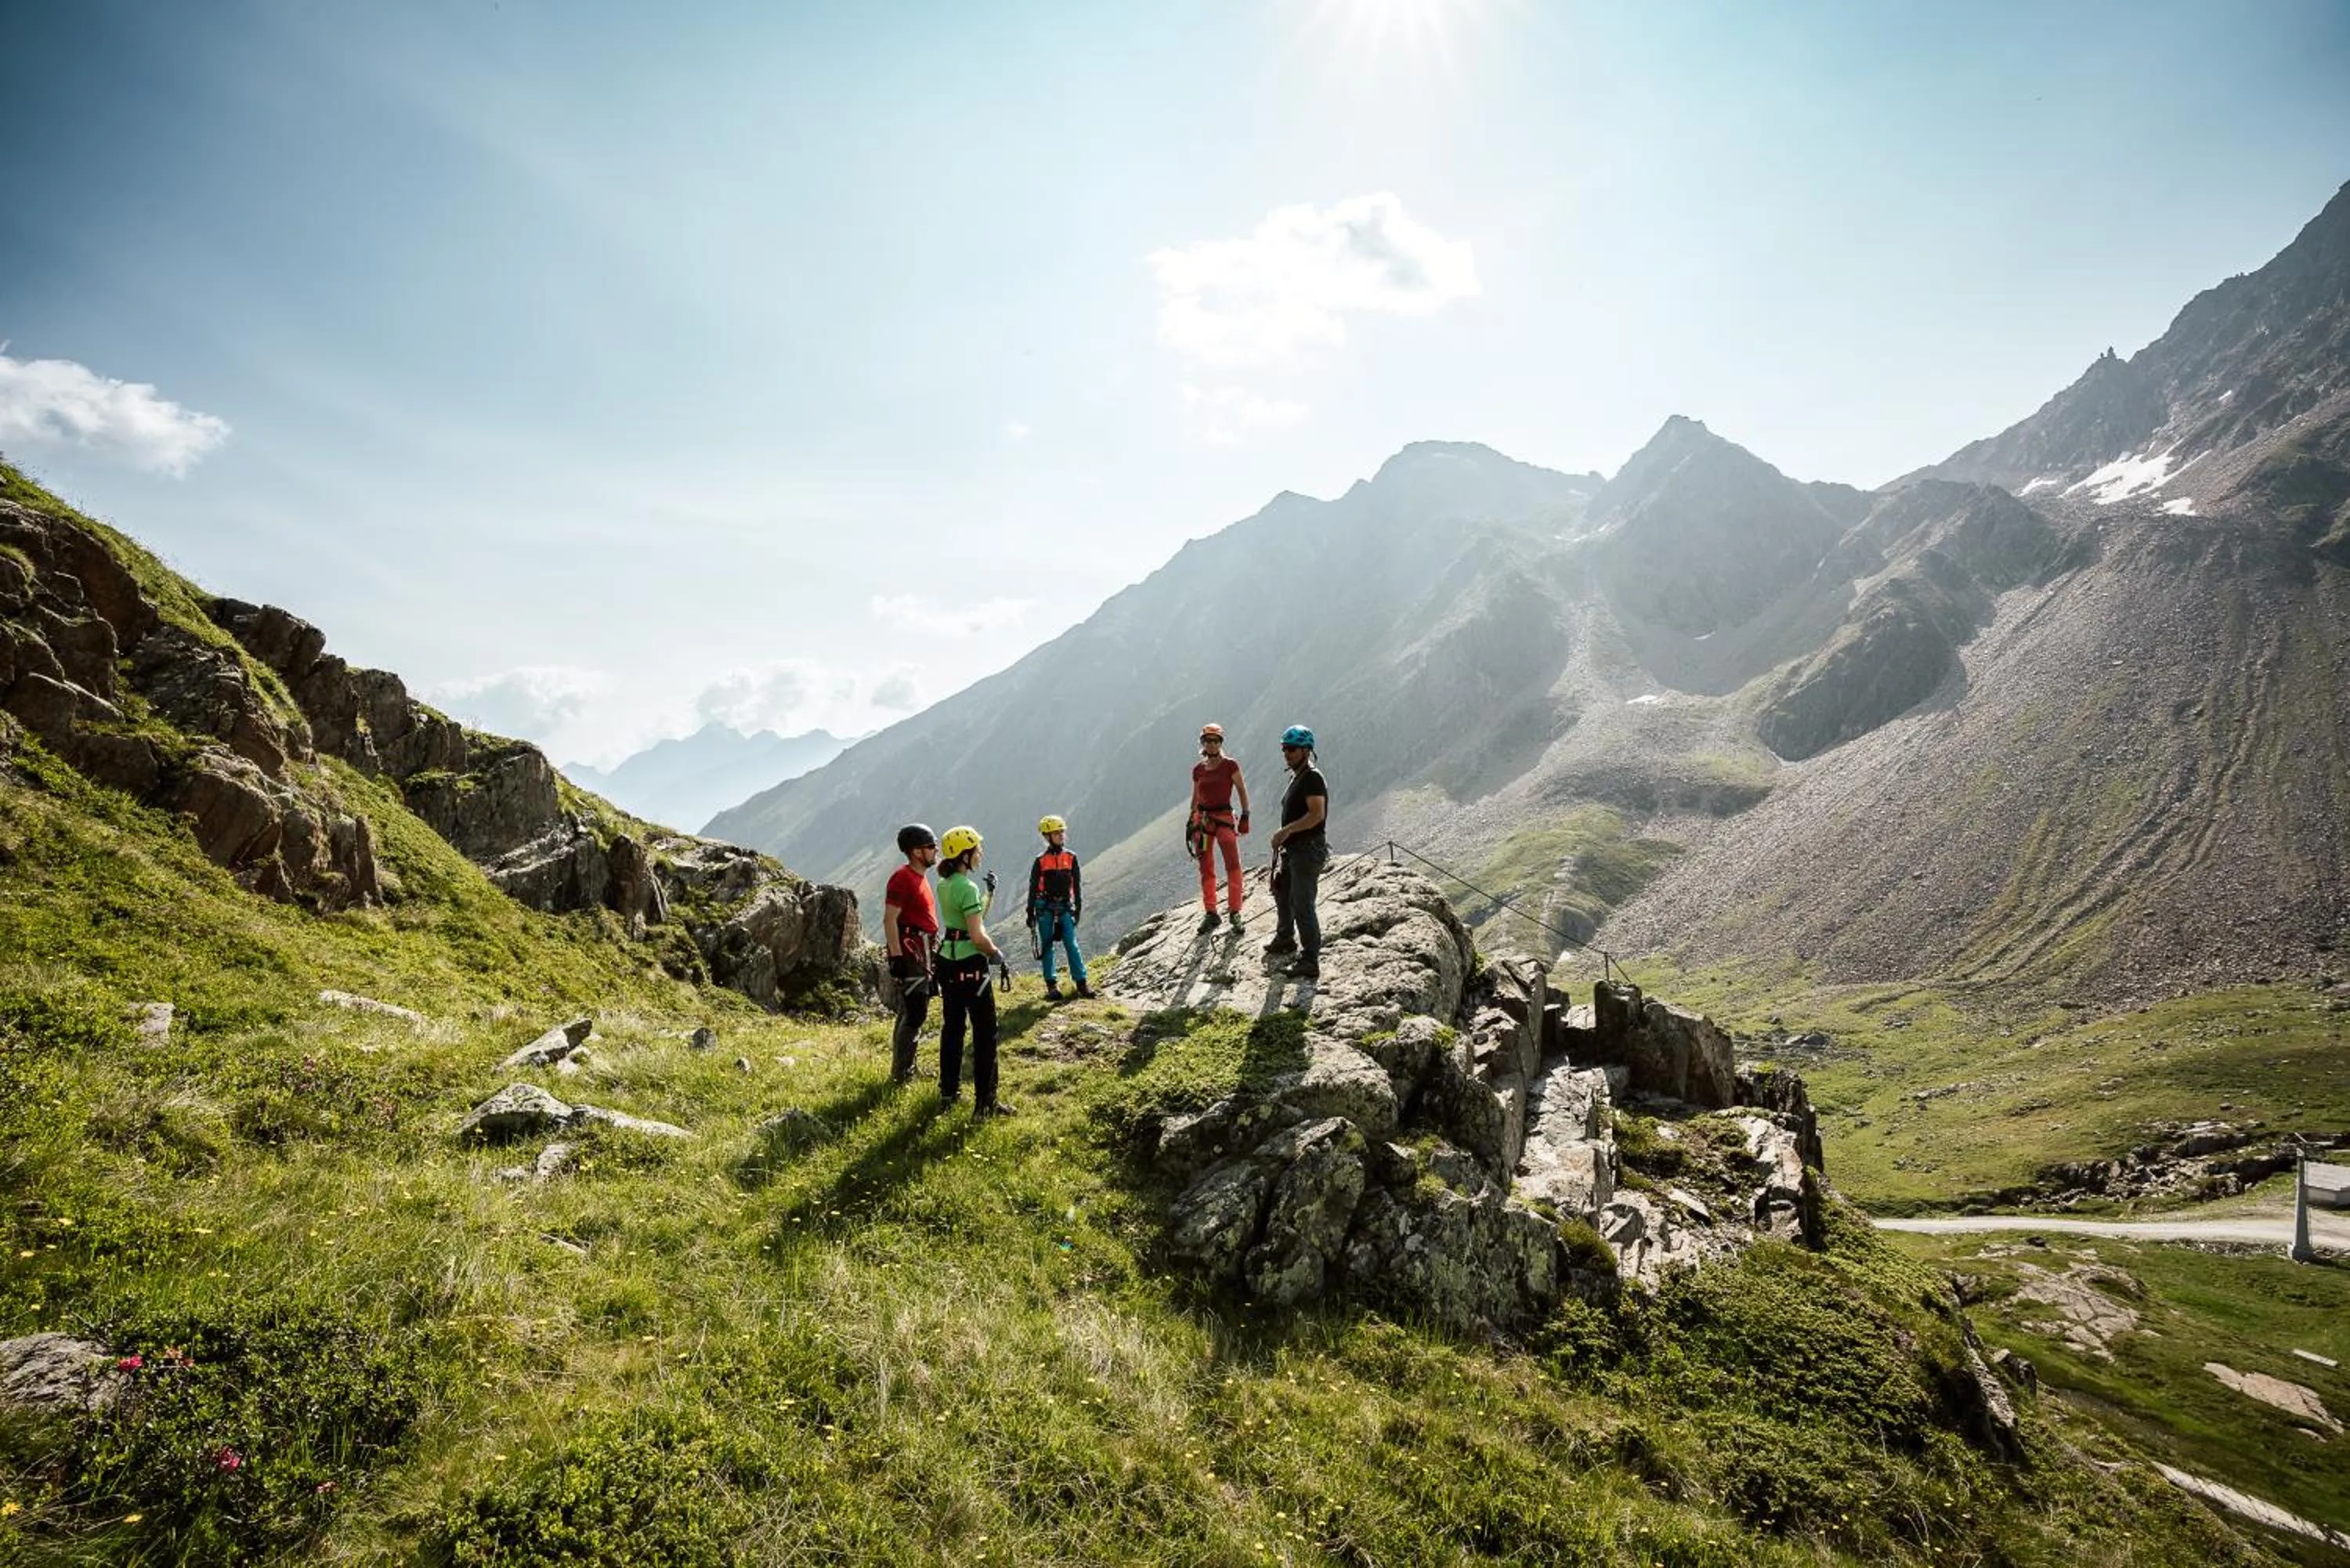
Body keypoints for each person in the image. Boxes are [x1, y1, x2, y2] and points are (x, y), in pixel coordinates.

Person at [934, 825, 1011, 1115]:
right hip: (970, 964)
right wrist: (996, 954)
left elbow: (968, 921)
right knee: (985, 1032)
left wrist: (989, 894)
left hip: (947, 961)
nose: (980, 852)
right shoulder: (967, 887)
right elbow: (977, 936)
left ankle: (949, 1094)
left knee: (952, 1028)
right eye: (976, 848)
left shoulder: (945, 884)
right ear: (965, 854)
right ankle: (986, 1103)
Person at [1264, 724, 1329, 981]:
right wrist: (1286, 836)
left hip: (1307, 850)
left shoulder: (1312, 777)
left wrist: (1285, 831)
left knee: (1302, 903)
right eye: (1284, 748)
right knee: (1283, 892)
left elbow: (1316, 815)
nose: (1286, 753)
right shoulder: (1298, 776)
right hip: (1294, 849)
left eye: (1291, 749)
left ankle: (1310, 960)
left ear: (1306, 750)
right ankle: (1285, 938)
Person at [880, 823, 940, 1084]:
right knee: (915, 1012)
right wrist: (896, 958)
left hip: (922, 949)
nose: (935, 850)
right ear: (917, 851)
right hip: (912, 951)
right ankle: (902, 1074)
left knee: (911, 1010)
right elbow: (889, 919)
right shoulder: (902, 878)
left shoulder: (919, 876)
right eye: (930, 846)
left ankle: (904, 1069)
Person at [1188, 722, 1252, 934]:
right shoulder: (1198, 770)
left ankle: (1235, 912)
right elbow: (1196, 797)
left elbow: (1241, 790)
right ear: (1203, 744)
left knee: (1233, 865)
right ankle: (1211, 912)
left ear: (1220, 743)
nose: (1212, 745)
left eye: (1215, 741)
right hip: (1204, 820)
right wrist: (1192, 820)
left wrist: (1245, 815)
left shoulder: (1230, 765)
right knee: (1206, 868)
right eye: (1208, 741)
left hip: (1224, 817)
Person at [1026, 815, 1092, 1001]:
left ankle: (1082, 983)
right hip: (1044, 908)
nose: (1061, 835)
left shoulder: (1071, 858)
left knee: (1071, 944)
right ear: (1047, 836)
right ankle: (1051, 986)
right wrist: (1030, 912)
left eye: (1062, 831)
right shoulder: (1040, 861)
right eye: (1057, 832)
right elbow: (1032, 888)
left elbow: (1077, 886)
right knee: (1047, 947)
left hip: (1064, 907)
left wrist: (1077, 909)